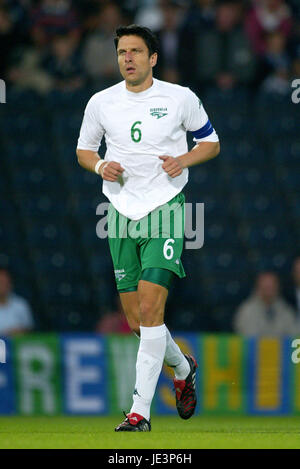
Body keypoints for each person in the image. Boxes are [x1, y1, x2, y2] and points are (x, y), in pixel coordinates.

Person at [76, 24, 220, 432]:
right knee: (138, 322)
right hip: (119, 212)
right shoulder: (101, 102)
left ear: (152, 58)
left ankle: (139, 411)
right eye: (123, 51)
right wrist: (102, 165)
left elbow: (211, 142)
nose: (128, 58)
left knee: (153, 309)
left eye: (136, 51)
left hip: (166, 209)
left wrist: (184, 160)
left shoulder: (180, 98)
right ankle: (182, 366)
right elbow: (84, 150)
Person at [233, 271, 296, 336]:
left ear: (277, 288)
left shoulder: (286, 310)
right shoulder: (246, 311)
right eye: (266, 287)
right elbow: (248, 337)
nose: (268, 291)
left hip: (281, 346)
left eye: (271, 287)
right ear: (258, 288)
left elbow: (294, 336)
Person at [0, 268, 34, 336]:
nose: (3, 286)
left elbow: (30, 329)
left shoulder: (21, 304)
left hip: (19, 344)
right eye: (1, 283)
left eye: (6, 282)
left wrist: (21, 331)